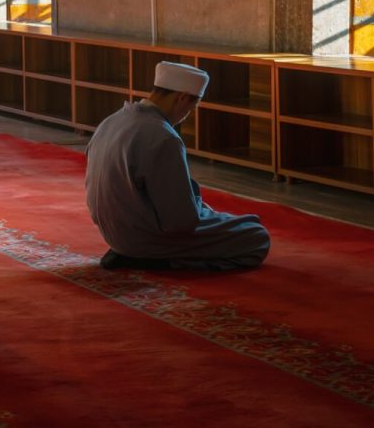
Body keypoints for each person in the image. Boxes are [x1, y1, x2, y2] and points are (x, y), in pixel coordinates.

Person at [84, 61, 272, 271]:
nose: (187, 114)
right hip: (143, 240)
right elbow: (180, 222)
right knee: (255, 236)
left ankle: (140, 254)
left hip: (114, 234)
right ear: (182, 98)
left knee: (227, 220)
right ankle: (162, 261)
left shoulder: (112, 120)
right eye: (191, 107)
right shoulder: (163, 136)